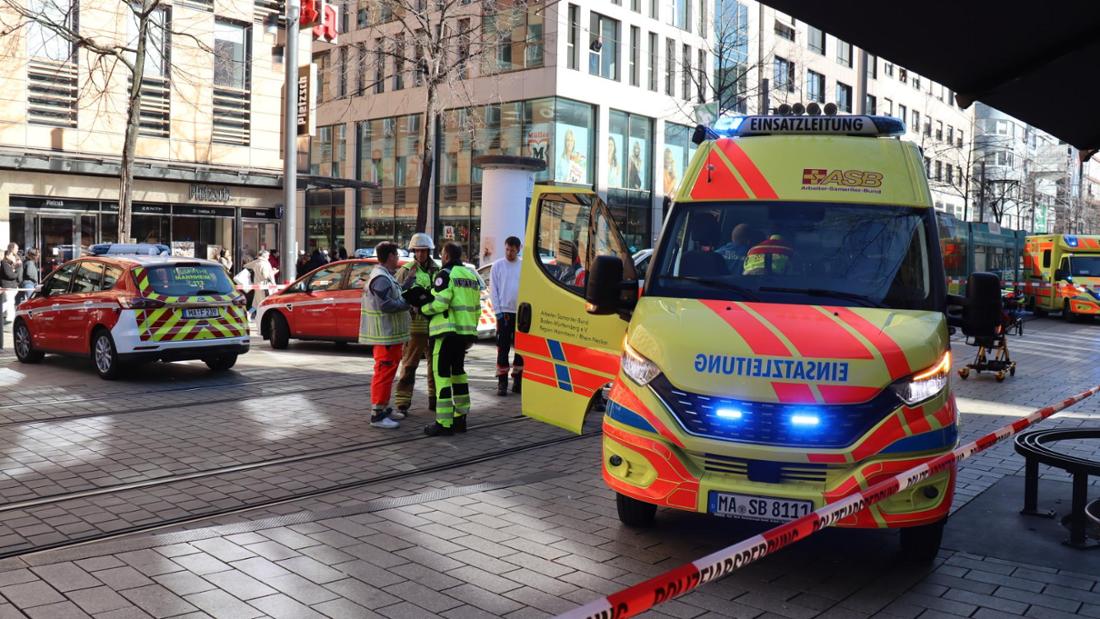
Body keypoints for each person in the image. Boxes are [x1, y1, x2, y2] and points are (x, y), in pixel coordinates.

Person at [419, 242, 481, 436]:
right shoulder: (471, 276)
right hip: (464, 334)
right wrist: (471, 331)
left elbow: (441, 302)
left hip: (446, 333)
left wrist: (422, 308)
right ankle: (460, 419)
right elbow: (477, 308)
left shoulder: (445, 275)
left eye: (441, 254)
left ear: (446, 256)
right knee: (459, 375)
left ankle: (443, 423)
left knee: (443, 376)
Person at [359, 242, 411, 429]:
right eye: (396, 254)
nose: (398, 258)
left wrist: (407, 286)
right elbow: (386, 305)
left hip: (390, 337)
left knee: (387, 373)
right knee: (383, 374)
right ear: (390, 256)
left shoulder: (385, 276)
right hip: (385, 337)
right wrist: (407, 305)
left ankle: (383, 408)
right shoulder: (381, 278)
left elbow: (391, 297)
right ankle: (377, 415)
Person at [394, 233, 440, 417]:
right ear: (413, 251)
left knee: (434, 366)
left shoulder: (437, 270)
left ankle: (434, 399)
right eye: (418, 251)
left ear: (429, 251)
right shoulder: (407, 270)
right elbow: (397, 295)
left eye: (424, 251)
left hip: (435, 325)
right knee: (409, 365)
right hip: (414, 327)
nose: (421, 254)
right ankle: (402, 403)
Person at [490, 236, 524, 396]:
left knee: (521, 348)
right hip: (504, 312)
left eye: (512, 250)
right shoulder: (497, 266)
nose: (509, 253)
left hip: (521, 313)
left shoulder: (524, 266)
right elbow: (493, 291)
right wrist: (498, 312)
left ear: (519, 249)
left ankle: (518, 379)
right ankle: (502, 382)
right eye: (507, 249)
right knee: (502, 349)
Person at [246, 251, 277, 317]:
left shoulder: (256, 262)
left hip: (257, 285)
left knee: (256, 302)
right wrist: (273, 272)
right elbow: (266, 276)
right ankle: (263, 316)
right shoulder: (264, 263)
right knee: (263, 302)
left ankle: (249, 313)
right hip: (264, 286)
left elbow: (246, 265)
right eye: (268, 255)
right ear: (264, 256)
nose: (269, 257)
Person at [1, 244, 21, 324]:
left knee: (9, 302)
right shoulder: (4, 262)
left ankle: (10, 318)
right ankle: (10, 318)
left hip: (13, 285)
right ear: (11, 249)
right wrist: (16, 271)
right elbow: (9, 275)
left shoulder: (14, 260)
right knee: (10, 302)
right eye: (16, 248)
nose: (17, 250)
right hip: (7, 285)